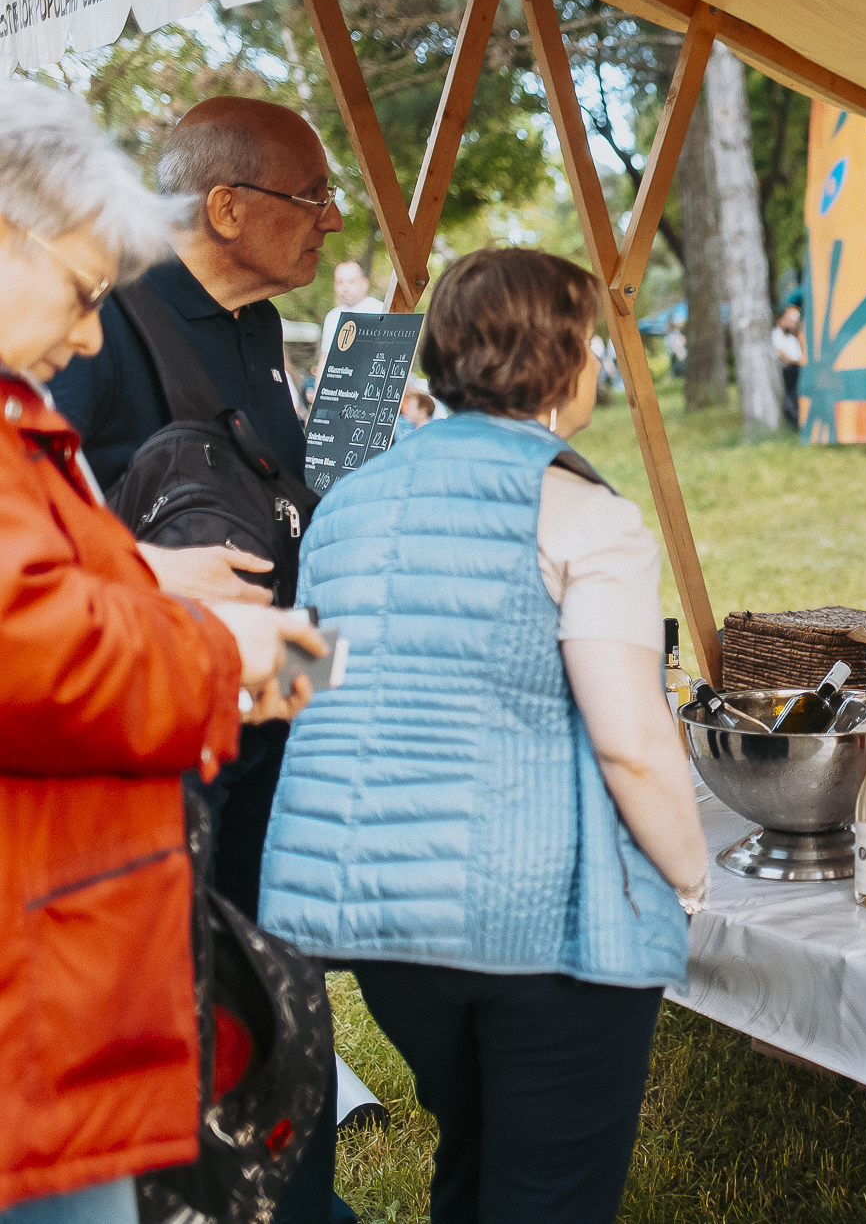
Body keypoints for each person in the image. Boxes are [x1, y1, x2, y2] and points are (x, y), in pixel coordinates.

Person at [259, 248, 711, 1224]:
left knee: (473, 1161)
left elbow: (304, 692)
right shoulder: (587, 515)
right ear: (561, 359)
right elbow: (632, 739)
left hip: (383, 924)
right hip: (535, 924)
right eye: (589, 342)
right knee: (547, 1193)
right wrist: (688, 877)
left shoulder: (343, 506)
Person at [0, 81, 320, 1224]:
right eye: (84, 293)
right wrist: (211, 641)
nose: (90, 330)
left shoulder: (253, 333)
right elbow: (32, 637)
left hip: (86, 919)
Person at [313, 258, 382, 386]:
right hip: (341, 385)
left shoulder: (380, 311)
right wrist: (318, 391)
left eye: (351, 282)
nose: (345, 287)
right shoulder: (332, 317)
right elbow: (325, 358)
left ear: (365, 283)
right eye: (340, 282)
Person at [773, 299, 806, 428]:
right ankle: (795, 419)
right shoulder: (775, 335)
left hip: (796, 370)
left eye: (795, 321)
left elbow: (800, 356)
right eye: (791, 320)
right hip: (786, 372)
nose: (793, 324)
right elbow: (782, 355)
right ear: (781, 319)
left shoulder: (792, 338)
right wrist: (798, 361)